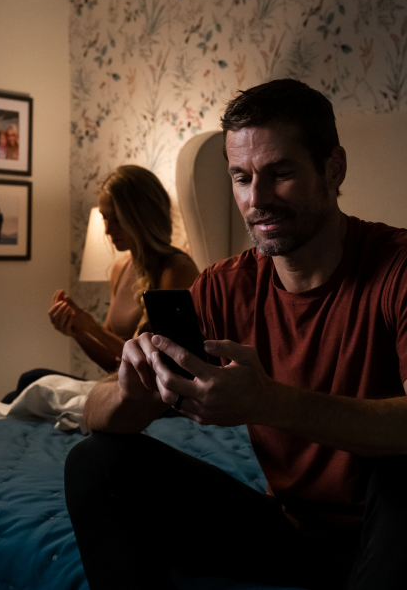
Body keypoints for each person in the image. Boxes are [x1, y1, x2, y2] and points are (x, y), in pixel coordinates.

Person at [64, 79, 407, 590]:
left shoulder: (395, 269)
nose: (257, 199)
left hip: (385, 532)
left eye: (280, 174)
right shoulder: (224, 286)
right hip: (288, 535)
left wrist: (269, 403)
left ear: (333, 168)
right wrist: (128, 390)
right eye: (241, 177)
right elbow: (96, 413)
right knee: (97, 462)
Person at [49, 165, 199, 373]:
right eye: (104, 217)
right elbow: (113, 362)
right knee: (32, 379)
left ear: (143, 217)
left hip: (154, 399)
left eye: (117, 219)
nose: (108, 230)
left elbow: (155, 364)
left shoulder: (176, 269)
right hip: (119, 388)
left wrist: (93, 328)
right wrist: (77, 330)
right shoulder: (120, 268)